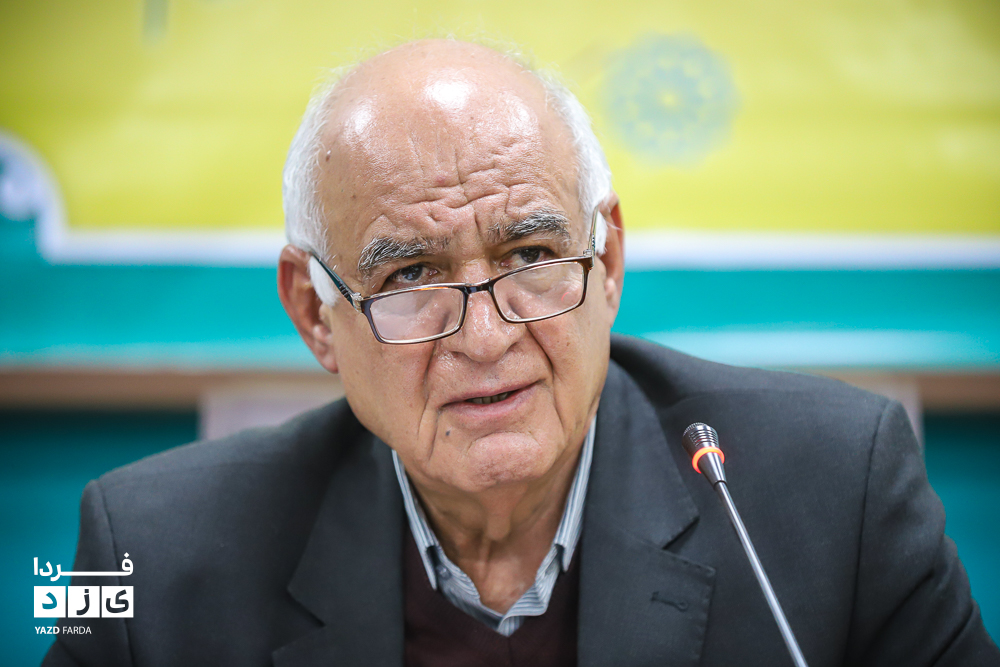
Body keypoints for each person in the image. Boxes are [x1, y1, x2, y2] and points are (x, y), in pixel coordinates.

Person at [45, 40, 998, 666]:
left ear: (608, 261)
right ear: (315, 313)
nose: (488, 336)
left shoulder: (837, 489)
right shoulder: (145, 553)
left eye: (533, 257)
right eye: (411, 274)